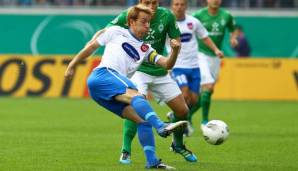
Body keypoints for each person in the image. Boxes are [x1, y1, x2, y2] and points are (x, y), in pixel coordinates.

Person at [65, 4, 187, 169]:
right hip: (104, 74)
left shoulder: (145, 48)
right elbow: (91, 47)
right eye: (143, 22)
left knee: (142, 120)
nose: (147, 26)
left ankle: (152, 162)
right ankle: (161, 125)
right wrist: (72, 65)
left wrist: (174, 51)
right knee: (136, 95)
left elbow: (166, 64)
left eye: (149, 22)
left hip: (104, 90)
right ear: (131, 21)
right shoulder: (116, 31)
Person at [107, 0, 197, 164]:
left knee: (183, 111)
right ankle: (126, 150)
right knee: (136, 106)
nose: (151, 6)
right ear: (140, 2)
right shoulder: (129, 15)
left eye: (154, 3)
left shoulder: (167, 16)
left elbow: (176, 40)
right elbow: (108, 31)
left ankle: (178, 145)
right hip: (138, 70)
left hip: (159, 69)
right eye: (147, 2)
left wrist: (175, 47)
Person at [166, 0, 224, 136]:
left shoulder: (193, 22)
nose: (179, 7)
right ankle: (181, 124)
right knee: (184, 94)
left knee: (194, 99)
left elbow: (204, 37)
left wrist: (216, 50)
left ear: (186, 6)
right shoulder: (167, 24)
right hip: (178, 66)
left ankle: (175, 118)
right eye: (176, 4)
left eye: (182, 4)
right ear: (172, 6)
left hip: (194, 66)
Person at [190, 0, 238, 127]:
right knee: (209, 86)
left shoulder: (226, 15)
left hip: (216, 57)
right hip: (200, 54)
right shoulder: (198, 15)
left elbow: (233, 29)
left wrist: (233, 38)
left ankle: (186, 115)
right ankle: (205, 121)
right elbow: (187, 29)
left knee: (208, 91)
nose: (215, 0)